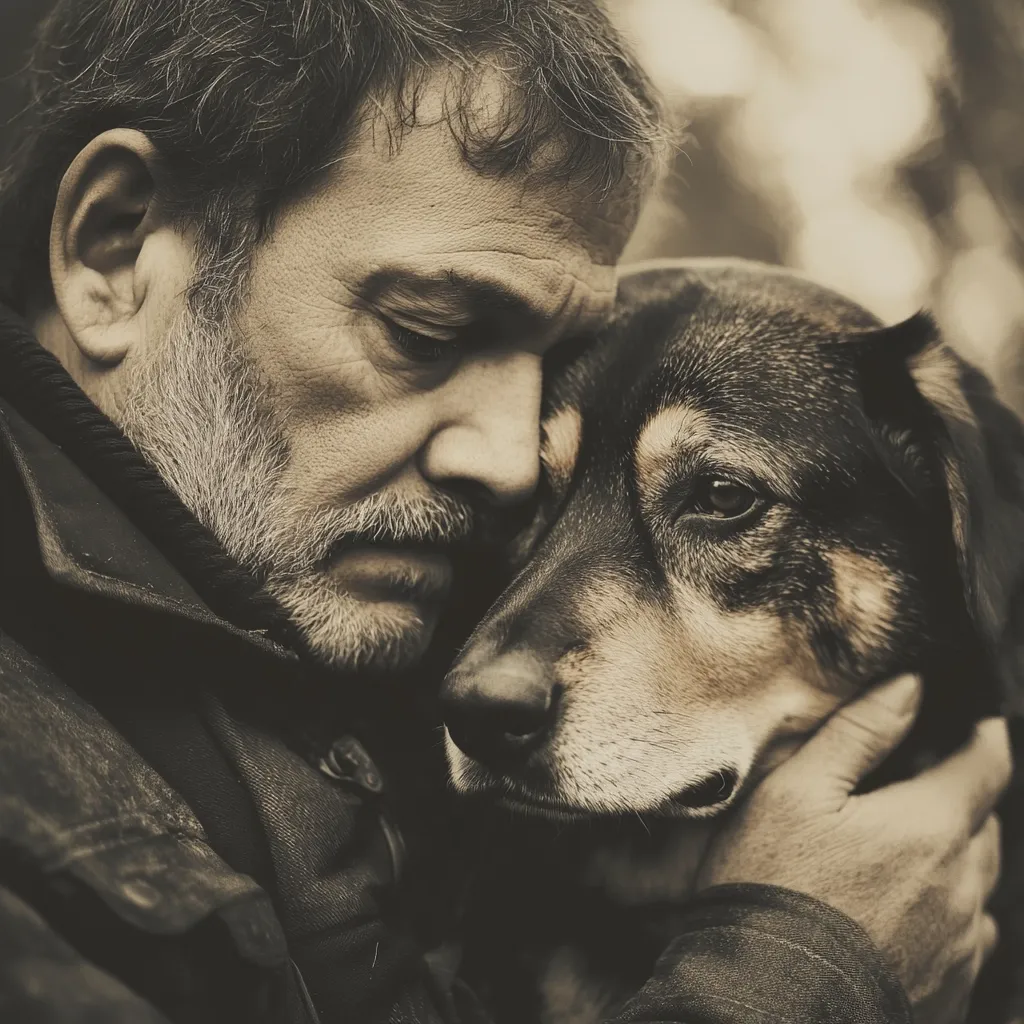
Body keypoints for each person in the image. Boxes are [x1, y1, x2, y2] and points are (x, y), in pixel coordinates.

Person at [0, 1, 1010, 1022]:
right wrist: (802, 965)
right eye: (424, 329)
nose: (504, 460)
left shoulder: (349, 623)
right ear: (114, 251)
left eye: (536, 370)